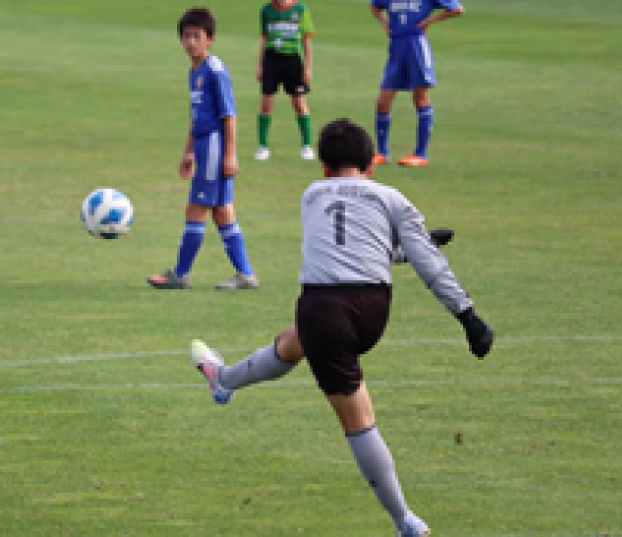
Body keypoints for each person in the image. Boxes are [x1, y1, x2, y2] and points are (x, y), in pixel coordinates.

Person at [190, 119, 493, 535]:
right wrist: (468, 317)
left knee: (359, 420)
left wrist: (402, 249)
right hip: (372, 311)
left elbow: (344, 247)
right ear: (371, 164)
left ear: (324, 167)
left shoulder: (312, 195)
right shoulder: (392, 197)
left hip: (324, 310)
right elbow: (423, 264)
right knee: (292, 342)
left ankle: (404, 519)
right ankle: (223, 381)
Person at [147, 8, 259, 291]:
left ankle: (181, 275)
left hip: (215, 146)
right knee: (221, 211)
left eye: (197, 36)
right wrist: (188, 151)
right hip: (203, 146)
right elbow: (196, 116)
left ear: (211, 39)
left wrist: (230, 154)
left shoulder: (215, 70)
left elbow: (229, 115)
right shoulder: (194, 71)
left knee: (196, 209)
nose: (190, 42)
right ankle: (245, 275)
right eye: (186, 36)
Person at [371, 0, 465, 167]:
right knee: (383, 100)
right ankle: (382, 153)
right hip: (396, 45)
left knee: (420, 97)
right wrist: (385, 23)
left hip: (417, 45)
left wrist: (429, 21)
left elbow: (457, 9)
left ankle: (421, 154)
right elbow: (375, 6)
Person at [254, 0, 316, 161]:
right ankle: (263, 147)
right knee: (266, 104)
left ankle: (307, 146)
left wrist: (308, 67)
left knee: (300, 104)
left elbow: (306, 40)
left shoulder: (301, 9)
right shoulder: (267, 10)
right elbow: (265, 39)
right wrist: (260, 66)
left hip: (293, 61)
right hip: (271, 60)